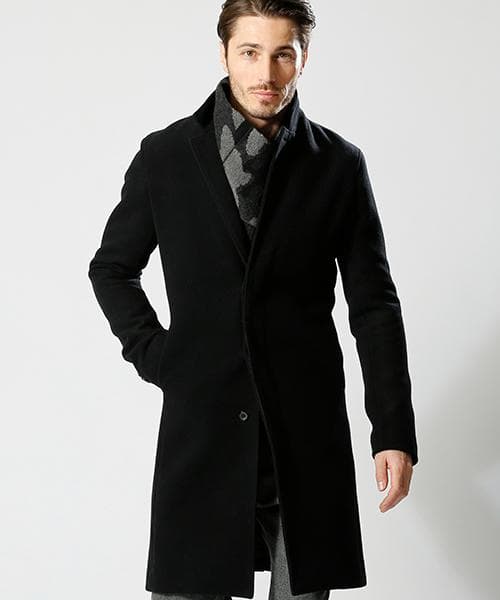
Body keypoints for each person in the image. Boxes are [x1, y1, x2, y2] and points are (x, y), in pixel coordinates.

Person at [88, 2, 418, 599]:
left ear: (303, 59)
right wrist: (159, 357)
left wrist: (392, 429)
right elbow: (112, 268)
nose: (266, 73)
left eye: (282, 54)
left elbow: (374, 305)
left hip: (305, 432)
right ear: (223, 54)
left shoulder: (338, 165)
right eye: (250, 52)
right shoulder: (166, 156)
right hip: (204, 427)